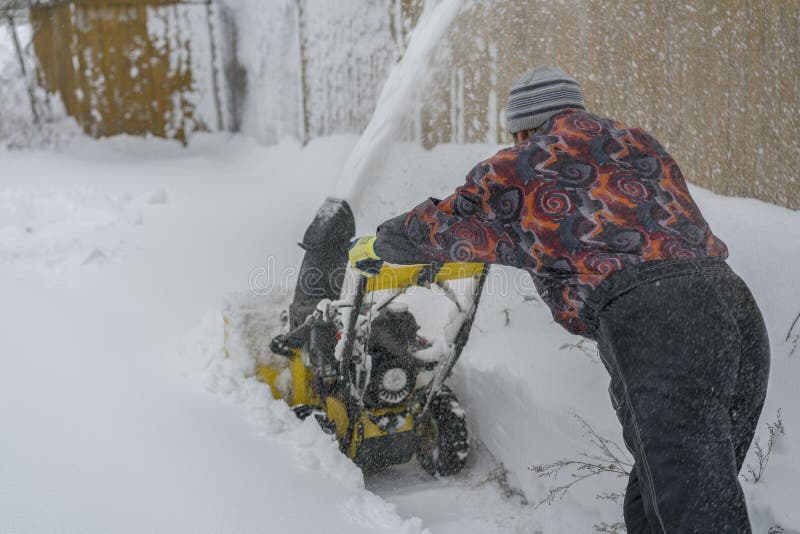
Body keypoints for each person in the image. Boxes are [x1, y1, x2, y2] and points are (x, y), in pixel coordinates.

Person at [348, 65, 770, 533]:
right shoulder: (637, 142)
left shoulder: (522, 165)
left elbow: (444, 227)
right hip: (734, 307)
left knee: (691, 507)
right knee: (669, 496)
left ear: (522, 126)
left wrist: (381, 244)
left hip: (658, 317)